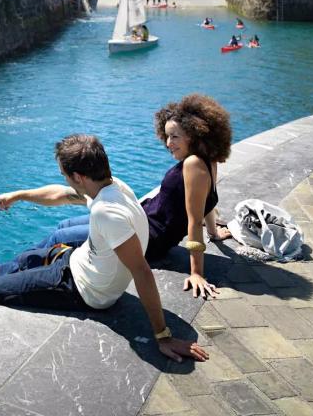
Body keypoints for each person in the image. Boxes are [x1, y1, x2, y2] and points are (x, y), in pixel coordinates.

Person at [0, 135, 209, 363]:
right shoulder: (112, 186)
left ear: (78, 176)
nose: (65, 180)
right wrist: (18, 195)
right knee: (27, 259)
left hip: (82, 289)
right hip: (79, 261)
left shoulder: (106, 213)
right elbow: (61, 194)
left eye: (65, 175)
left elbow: (142, 271)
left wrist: (163, 336)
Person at [16, 95, 232, 298]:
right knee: (63, 226)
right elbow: (207, 202)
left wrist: (196, 273)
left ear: (195, 134)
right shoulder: (208, 161)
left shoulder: (194, 165)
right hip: (140, 218)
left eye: (175, 136)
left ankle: (13, 271)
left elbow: (194, 221)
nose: (168, 143)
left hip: (145, 238)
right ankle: (19, 265)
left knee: (58, 238)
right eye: (166, 136)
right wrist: (214, 233)